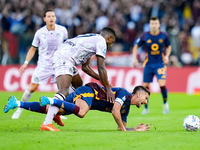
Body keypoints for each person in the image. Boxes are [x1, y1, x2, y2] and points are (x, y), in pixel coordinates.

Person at [12, 10, 83, 119]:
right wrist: (26, 63)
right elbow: (33, 48)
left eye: (53, 16)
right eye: (48, 16)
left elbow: (66, 46)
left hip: (58, 63)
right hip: (43, 65)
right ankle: (20, 108)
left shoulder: (62, 30)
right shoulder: (39, 33)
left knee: (63, 89)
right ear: (44, 19)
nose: (51, 18)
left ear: (55, 18)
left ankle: (58, 111)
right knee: (32, 88)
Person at [42, 27, 116, 131]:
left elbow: (85, 67)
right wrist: (108, 89)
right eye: (111, 43)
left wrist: (102, 80)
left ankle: (57, 111)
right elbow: (101, 67)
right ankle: (47, 123)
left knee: (78, 85)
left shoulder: (92, 40)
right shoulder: (101, 41)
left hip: (66, 58)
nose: (109, 46)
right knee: (63, 91)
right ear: (108, 38)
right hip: (64, 59)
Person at [4, 82, 150, 132]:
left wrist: (133, 129)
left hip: (88, 100)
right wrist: (125, 130)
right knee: (81, 113)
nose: (146, 101)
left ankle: (17, 103)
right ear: (138, 94)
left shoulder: (126, 108)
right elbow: (114, 110)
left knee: (52, 110)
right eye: (146, 98)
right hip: (89, 92)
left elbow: (120, 127)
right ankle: (51, 100)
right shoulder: (124, 94)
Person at [132, 16, 171, 115]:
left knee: (162, 84)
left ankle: (165, 104)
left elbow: (169, 46)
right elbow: (136, 46)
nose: (154, 25)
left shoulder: (164, 35)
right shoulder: (145, 36)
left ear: (159, 25)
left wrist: (167, 56)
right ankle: (146, 108)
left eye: (155, 23)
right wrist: (134, 58)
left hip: (160, 64)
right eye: (152, 24)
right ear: (150, 25)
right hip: (148, 64)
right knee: (145, 86)